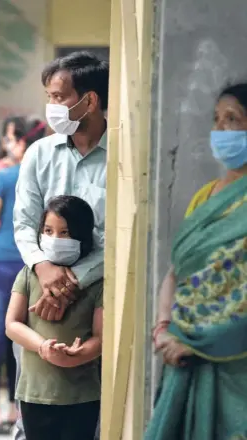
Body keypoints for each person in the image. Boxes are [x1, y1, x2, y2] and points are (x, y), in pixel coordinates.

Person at [13, 51, 108, 440]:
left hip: (98, 293)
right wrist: (44, 269)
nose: (51, 107)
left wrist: (72, 281)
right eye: (49, 97)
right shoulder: (39, 154)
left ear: (90, 100)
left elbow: (118, 238)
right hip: (40, 291)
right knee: (36, 403)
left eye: (57, 97)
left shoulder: (122, 158)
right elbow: (23, 223)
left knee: (90, 409)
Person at [145, 82, 247, 440]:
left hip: (236, 364)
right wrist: (163, 327)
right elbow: (178, 270)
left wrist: (200, 342)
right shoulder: (206, 196)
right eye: (216, 120)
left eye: (232, 120)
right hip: (181, 354)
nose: (220, 130)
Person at [6, 195, 102, 440]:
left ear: (82, 234)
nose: (55, 239)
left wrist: (78, 356)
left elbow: (101, 337)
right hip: (34, 393)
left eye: (65, 232)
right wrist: (42, 347)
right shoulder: (29, 274)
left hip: (82, 395)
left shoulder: (96, 282)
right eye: (48, 231)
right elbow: (12, 324)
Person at [0, 119, 46, 436]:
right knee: (22, 337)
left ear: (23, 144)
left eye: (12, 139)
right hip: (34, 266)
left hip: (2, 265)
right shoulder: (43, 177)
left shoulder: (4, 177)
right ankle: (16, 409)